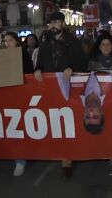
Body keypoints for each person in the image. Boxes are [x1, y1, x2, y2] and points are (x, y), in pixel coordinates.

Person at [35, 11, 87, 180]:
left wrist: (72, 67)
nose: (54, 25)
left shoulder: (73, 42)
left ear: (63, 24)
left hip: (69, 88)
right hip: (51, 89)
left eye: (57, 22)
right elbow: (40, 62)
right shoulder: (45, 43)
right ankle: (58, 151)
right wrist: (37, 70)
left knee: (68, 122)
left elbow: (82, 63)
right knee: (55, 121)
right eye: (51, 23)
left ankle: (67, 159)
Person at [3, 31, 33, 177]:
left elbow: (29, 74)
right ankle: (19, 159)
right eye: (5, 41)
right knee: (12, 126)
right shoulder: (1, 57)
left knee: (21, 126)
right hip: (8, 97)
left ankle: (21, 159)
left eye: (9, 40)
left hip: (21, 96)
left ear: (16, 42)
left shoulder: (23, 55)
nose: (7, 43)